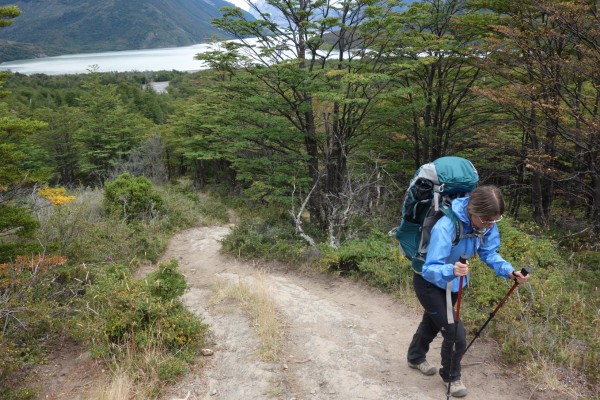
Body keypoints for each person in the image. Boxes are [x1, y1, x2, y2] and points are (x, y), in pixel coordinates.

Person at [406, 185, 529, 397]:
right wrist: (452, 269)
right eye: (486, 220)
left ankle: (415, 357)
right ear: (472, 211)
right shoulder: (445, 227)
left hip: (454, 285)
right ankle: (451, 377)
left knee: (433, 322)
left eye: (494, 220)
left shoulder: (484, 225)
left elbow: (489, 253)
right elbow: (429, 268)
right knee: (455, 334)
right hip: (429, 284)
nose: (490, 225)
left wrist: (509, 271)